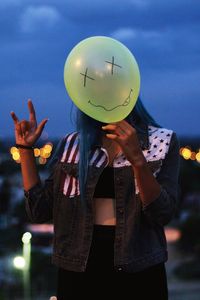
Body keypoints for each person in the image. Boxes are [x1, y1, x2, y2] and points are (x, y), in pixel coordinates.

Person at [11, 97, 180, 299]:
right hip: (78, 273)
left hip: (139, 269)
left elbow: (162, 213)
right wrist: (26, 150)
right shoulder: (72, 144)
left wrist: (137, 159)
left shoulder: (161, 141)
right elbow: (38, 210)